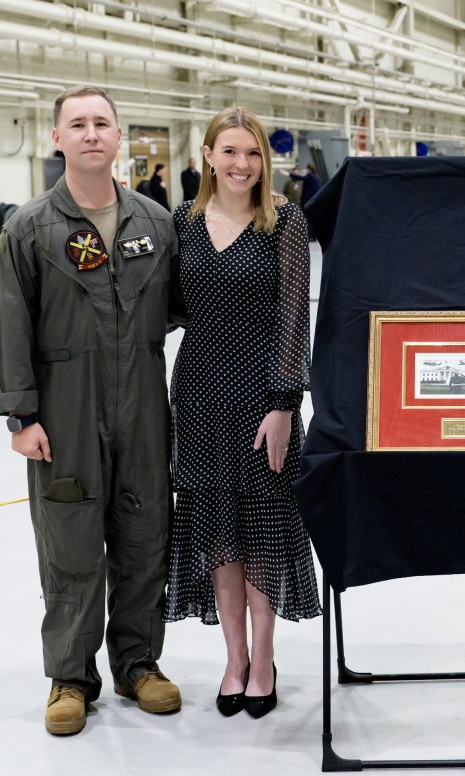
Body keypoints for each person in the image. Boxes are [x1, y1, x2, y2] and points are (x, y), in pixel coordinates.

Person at [0, 85, 184, 736]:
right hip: (64, 410)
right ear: (58, 139)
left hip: (143, 404)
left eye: (102, 122)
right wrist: (21, 416)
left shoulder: (155, 224)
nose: (92, 133)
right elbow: (8, 323)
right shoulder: (29, 229)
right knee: (69, 543)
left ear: (119, 136)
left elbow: (182, 307)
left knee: (145, 533)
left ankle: (138, 663)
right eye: (78, 124)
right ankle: (70, 677)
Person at [165, 106, 321, 719]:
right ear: (207, 157)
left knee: (262, 528)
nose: (242, 164)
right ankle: (234, 659)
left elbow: (293, 317)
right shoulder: (183, 221)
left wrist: (284, 404)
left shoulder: (283, 221)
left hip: (262, 396)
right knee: (218, 530)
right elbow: (169, 305)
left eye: (253, 153)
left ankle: (264, 660)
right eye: (229, 151)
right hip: (200, 392)